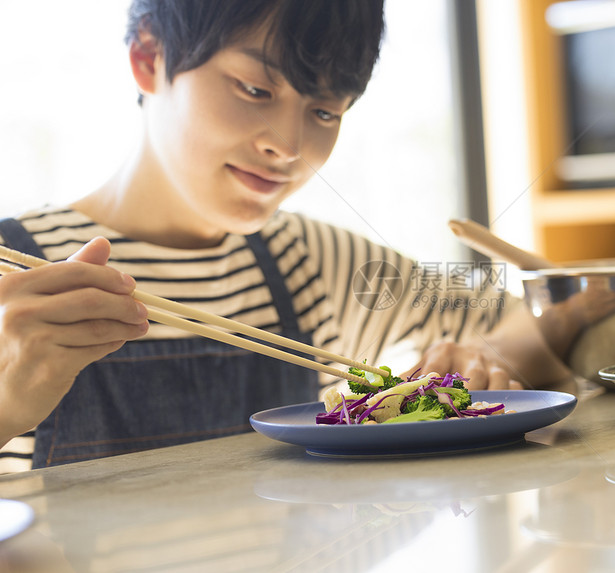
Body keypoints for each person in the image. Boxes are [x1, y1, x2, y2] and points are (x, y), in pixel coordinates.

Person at [0, 0, 573, 472]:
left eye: (324, 112)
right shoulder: (16, 276)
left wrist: (486, 357)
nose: (290, 147)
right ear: (149, 56)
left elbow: (543, 319)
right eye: (255, 89)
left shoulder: (309, 262)